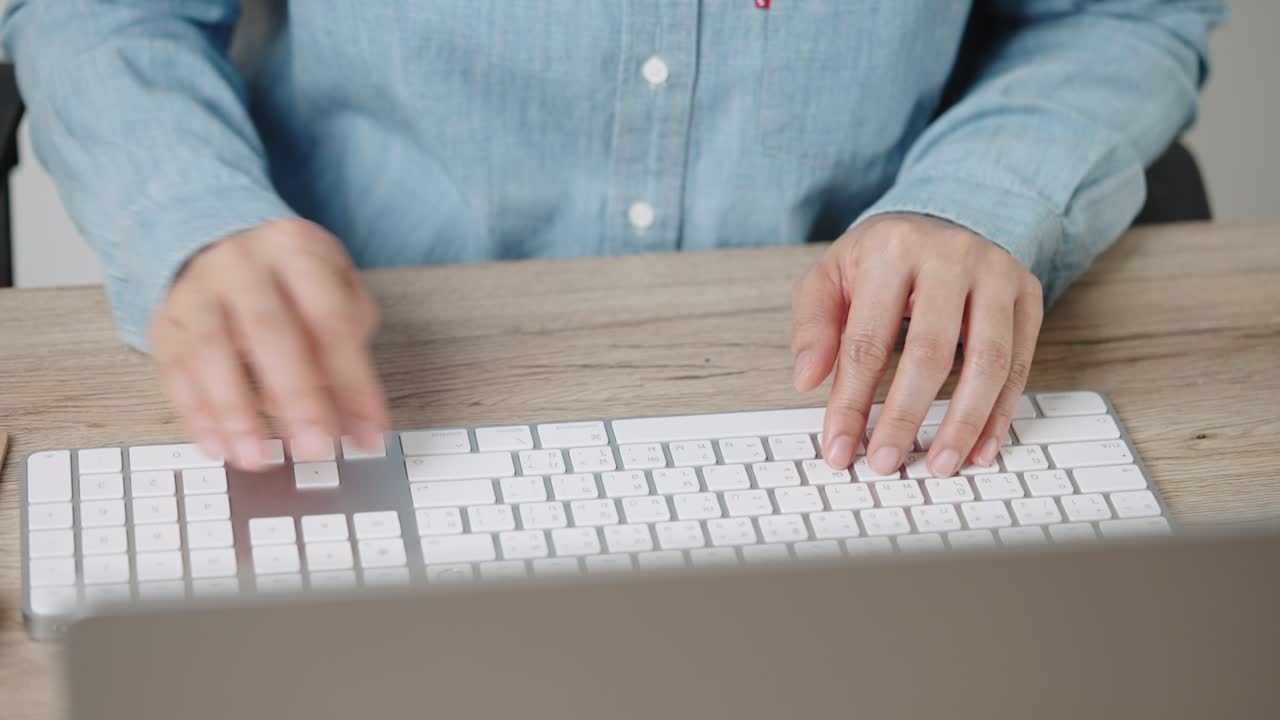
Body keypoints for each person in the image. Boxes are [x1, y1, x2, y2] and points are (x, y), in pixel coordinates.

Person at [2, 1, 1221, 475]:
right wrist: (199, 218)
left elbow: (1123, 10)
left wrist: (985, 193)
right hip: (366, 388)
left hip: (846, 404)